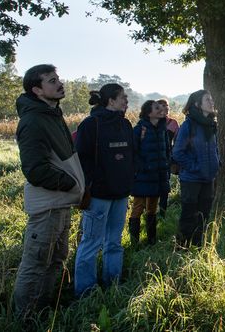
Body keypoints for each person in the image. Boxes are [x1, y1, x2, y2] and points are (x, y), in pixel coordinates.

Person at [13, 64, 85, 317]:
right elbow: (35, 169)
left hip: (61, 203)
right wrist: (68, 182)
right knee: (36, 263)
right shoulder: (33, 121)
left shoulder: (52, 114)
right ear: (37, 89)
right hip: (47, 205)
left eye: (58, 79)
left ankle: (43, 309)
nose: (59, 83)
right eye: (52, 81)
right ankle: (25, 318)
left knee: (56, 260)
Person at [73, 83, 134, 297]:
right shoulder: (90, 125)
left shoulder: (126, 124)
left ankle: (113, 283)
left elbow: (130, 156)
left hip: (121, 194)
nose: (126, 101)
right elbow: (81, 158)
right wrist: (93, 183)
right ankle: (85, 292)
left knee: (115, 242)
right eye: (123, 97)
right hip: (98, 195)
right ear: (110, 101)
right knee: (91, 243)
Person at [172, 90, 219, 248]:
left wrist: (217, 163)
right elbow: (178, 152)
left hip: (208, 178)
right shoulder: (188, 125)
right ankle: (181, 248)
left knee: (204, 215)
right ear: (198, 104)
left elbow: (214, 148)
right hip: (191, 179)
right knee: (188, 215)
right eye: (207, 99)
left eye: (211, 99)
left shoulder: (211, 124)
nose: (212, 102)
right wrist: (195, 167)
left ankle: (199, 247)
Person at [128, 100, 169, 246]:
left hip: (158, 175)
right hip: (142, 175)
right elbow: (133, 152)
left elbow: (167, 151)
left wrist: (166, 167)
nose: (161, 110)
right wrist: (142, 168)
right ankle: (134, 243)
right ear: (148, 112)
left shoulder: (163, 129)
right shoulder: (139, 130)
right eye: (157, 108)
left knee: (152, 208)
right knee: (137, 208)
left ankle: (151, 240)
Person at [157, 98, 179, 218]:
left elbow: (177, 142)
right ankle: (150, 212)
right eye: (162, 106)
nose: (166, 108)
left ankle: (162, 213)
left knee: (165, 187)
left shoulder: (173, 123)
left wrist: (174, 159)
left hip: (167, 158)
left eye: (166, 106)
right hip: (153, 159)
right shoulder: (151, 122)